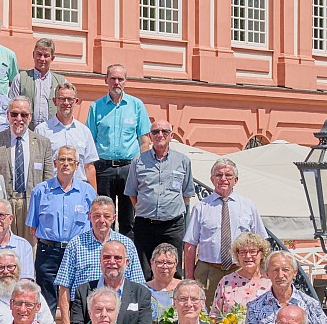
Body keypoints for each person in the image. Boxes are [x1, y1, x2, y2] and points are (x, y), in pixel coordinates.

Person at [54, 196, 144, 324]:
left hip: (119, 313)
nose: (101, 220)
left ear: (113, 218)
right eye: (96, 215)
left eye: (106, 216)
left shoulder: (126, 245)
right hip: (83, 312)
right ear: (89, 216)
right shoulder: (76, 244)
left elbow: (138, 285)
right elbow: (64, 285)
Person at [183, 158, 267, 302]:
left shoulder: (248, 206)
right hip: (208, 272)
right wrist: (189, 278)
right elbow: (190, 245)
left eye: (228, 175)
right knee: (206, 315)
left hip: (240, 270)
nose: (223, 179)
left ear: (236, 179)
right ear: (212, 179)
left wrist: (262, 273)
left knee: (239, 313)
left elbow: (262, 243)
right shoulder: (201, 207)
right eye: (218, 175)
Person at [26, 145, 96, 312]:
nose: (66, 163)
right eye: (62, 159)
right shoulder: (40, 191)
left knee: (79, 299)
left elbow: (94, 223)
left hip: (78, 251)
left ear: (77, 164)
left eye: (70, 160)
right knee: (46, 300)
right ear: (55, 163)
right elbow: (33, 228)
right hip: (48, 252)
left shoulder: (87, 192)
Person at [85, 64, 152, 240]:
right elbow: (89, 141)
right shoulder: (96, 107)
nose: (116, 82)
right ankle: (103, 253)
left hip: (128, 168)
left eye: (120, 79)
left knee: (128, 219)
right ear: (106, 80)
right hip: (103, 169)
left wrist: (141, 168)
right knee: (103, 216)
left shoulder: (136, 105)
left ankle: (125, 255)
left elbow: (144, 141)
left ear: (126, 81)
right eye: (113, 78)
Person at [124, 118, 194, 278]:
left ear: (171, 135)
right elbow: (132, 193)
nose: (160, 135)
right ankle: (145, 303)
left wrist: (169, 210)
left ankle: (174, 302)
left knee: (173, 270)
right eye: (155, 132)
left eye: (164, 131)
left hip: (173, 226)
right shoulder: (138, 161)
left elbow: (186, 194)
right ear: (150, 135)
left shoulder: (183, 161)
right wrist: (146, 209)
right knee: (143, 272)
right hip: (145, 226)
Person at [0, 96, 54, 244]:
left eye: (24, 115)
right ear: (8, 115)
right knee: (3, 247)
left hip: (30, 204)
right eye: (14, 114)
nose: (19, 119)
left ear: (30, 117)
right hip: (4, 204)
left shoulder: (43, 143)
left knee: (30, 249)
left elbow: (48, 181)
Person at [34, 82, 98, 188]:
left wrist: (93, 196)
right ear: (55, 101)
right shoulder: (42, 131)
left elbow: (89, 167)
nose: (66, 103)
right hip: (51, 190)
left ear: (76, 102)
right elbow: (36, 167)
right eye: (62, 99)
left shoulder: (84, 132)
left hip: (79, 190)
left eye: (70, 99)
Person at [0, 253, 56, 324]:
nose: (6, 271)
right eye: (0, 267)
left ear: (19, 270)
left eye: (10, 267)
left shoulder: (33, 295)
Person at [9, 37, 70, 125]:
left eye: (46, 56)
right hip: (27, 132)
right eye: (39, 54)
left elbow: (67, 109)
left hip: (52, 133)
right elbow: (11, 107)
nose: (42, 59)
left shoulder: (61, 82)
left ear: (52, 58)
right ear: (33, 55)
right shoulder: (20, 79)